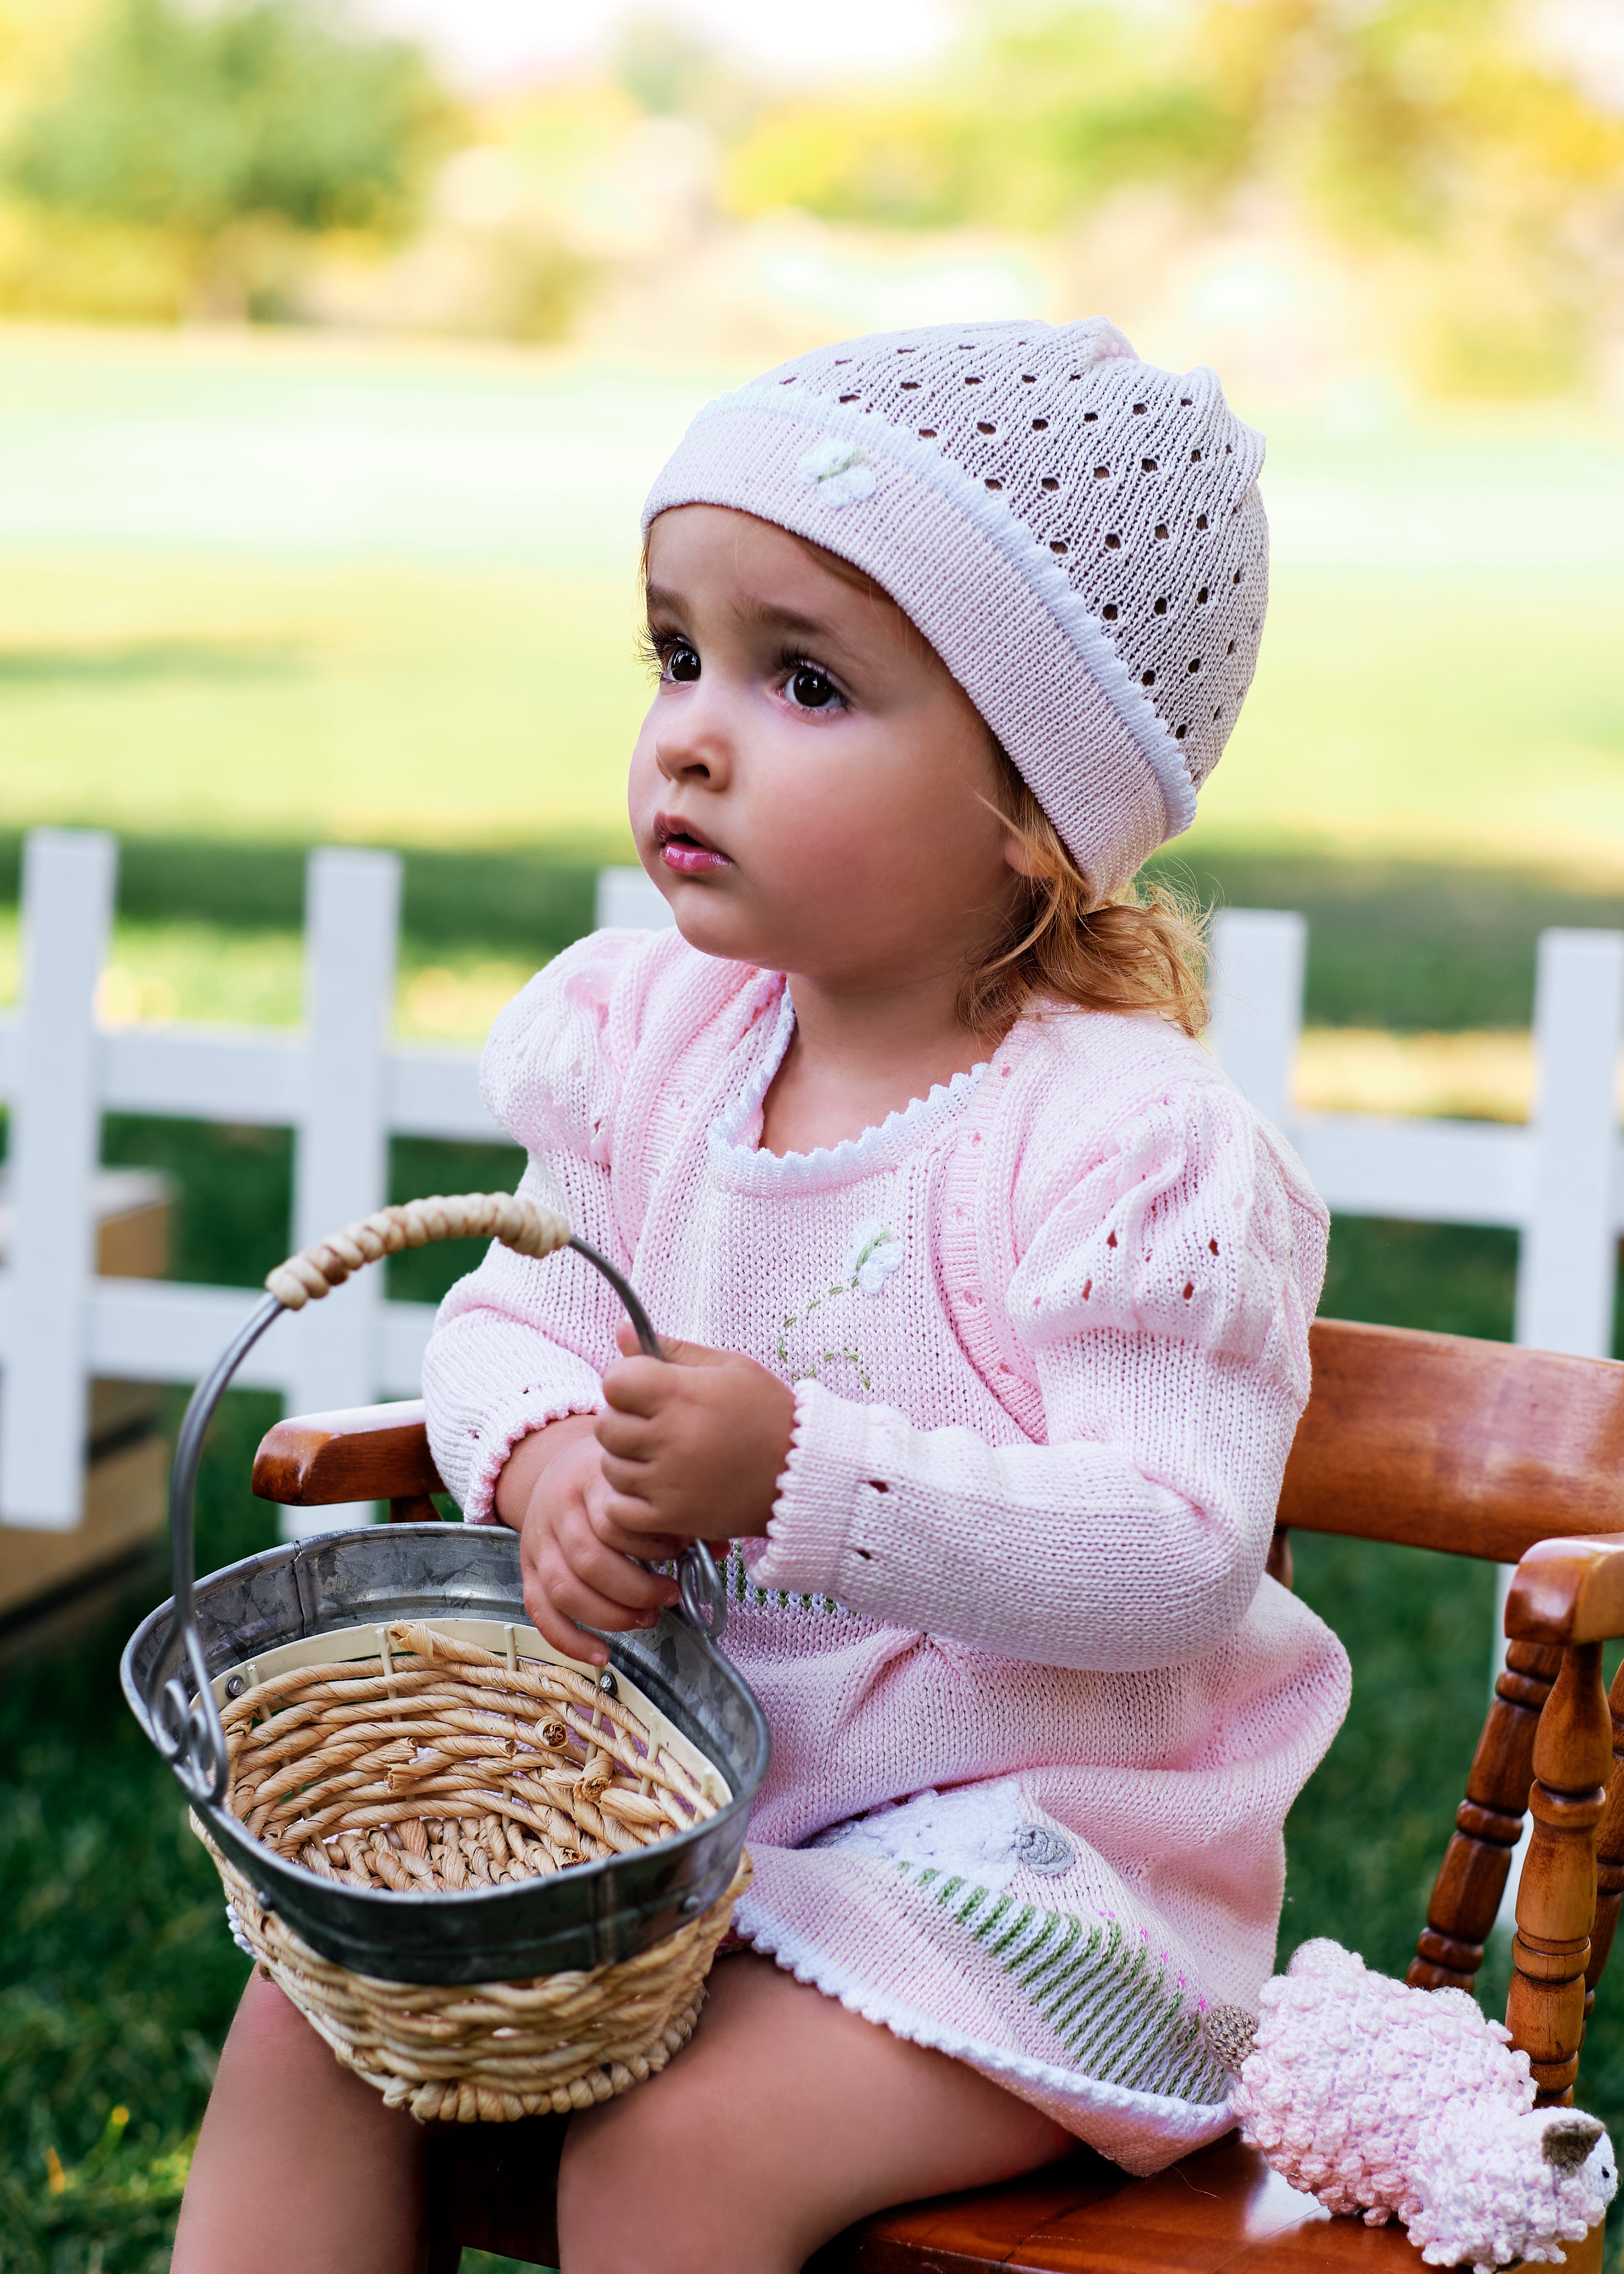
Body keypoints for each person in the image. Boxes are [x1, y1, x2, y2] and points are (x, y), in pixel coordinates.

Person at [172, 317, 1350, 2274]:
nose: (691, 730)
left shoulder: (1125, 1145)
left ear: (1034, 806)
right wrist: (544, 1450)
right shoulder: (665, 1044)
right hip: (702, 1812)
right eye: (674, 653)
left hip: (1041, 1878)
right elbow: (507, 1316)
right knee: (314, 2014)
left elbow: (1172, 1551)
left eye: (803, 677)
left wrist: (797, 1473)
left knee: (675, 2150)